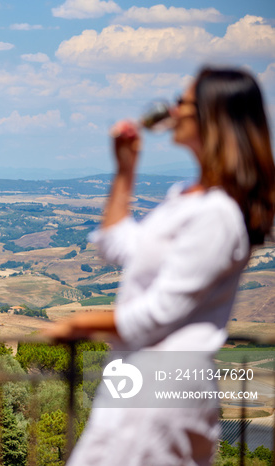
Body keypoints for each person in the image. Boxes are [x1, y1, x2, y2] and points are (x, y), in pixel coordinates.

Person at [48, 67, 275, 465]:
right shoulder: (187, 198)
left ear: (212, 117)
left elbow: (159, 313)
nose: (173, 110)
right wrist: (125, 169)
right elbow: (117, 244)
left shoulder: (217, 214)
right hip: (139, 383)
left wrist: (80, 324)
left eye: (183, 102)